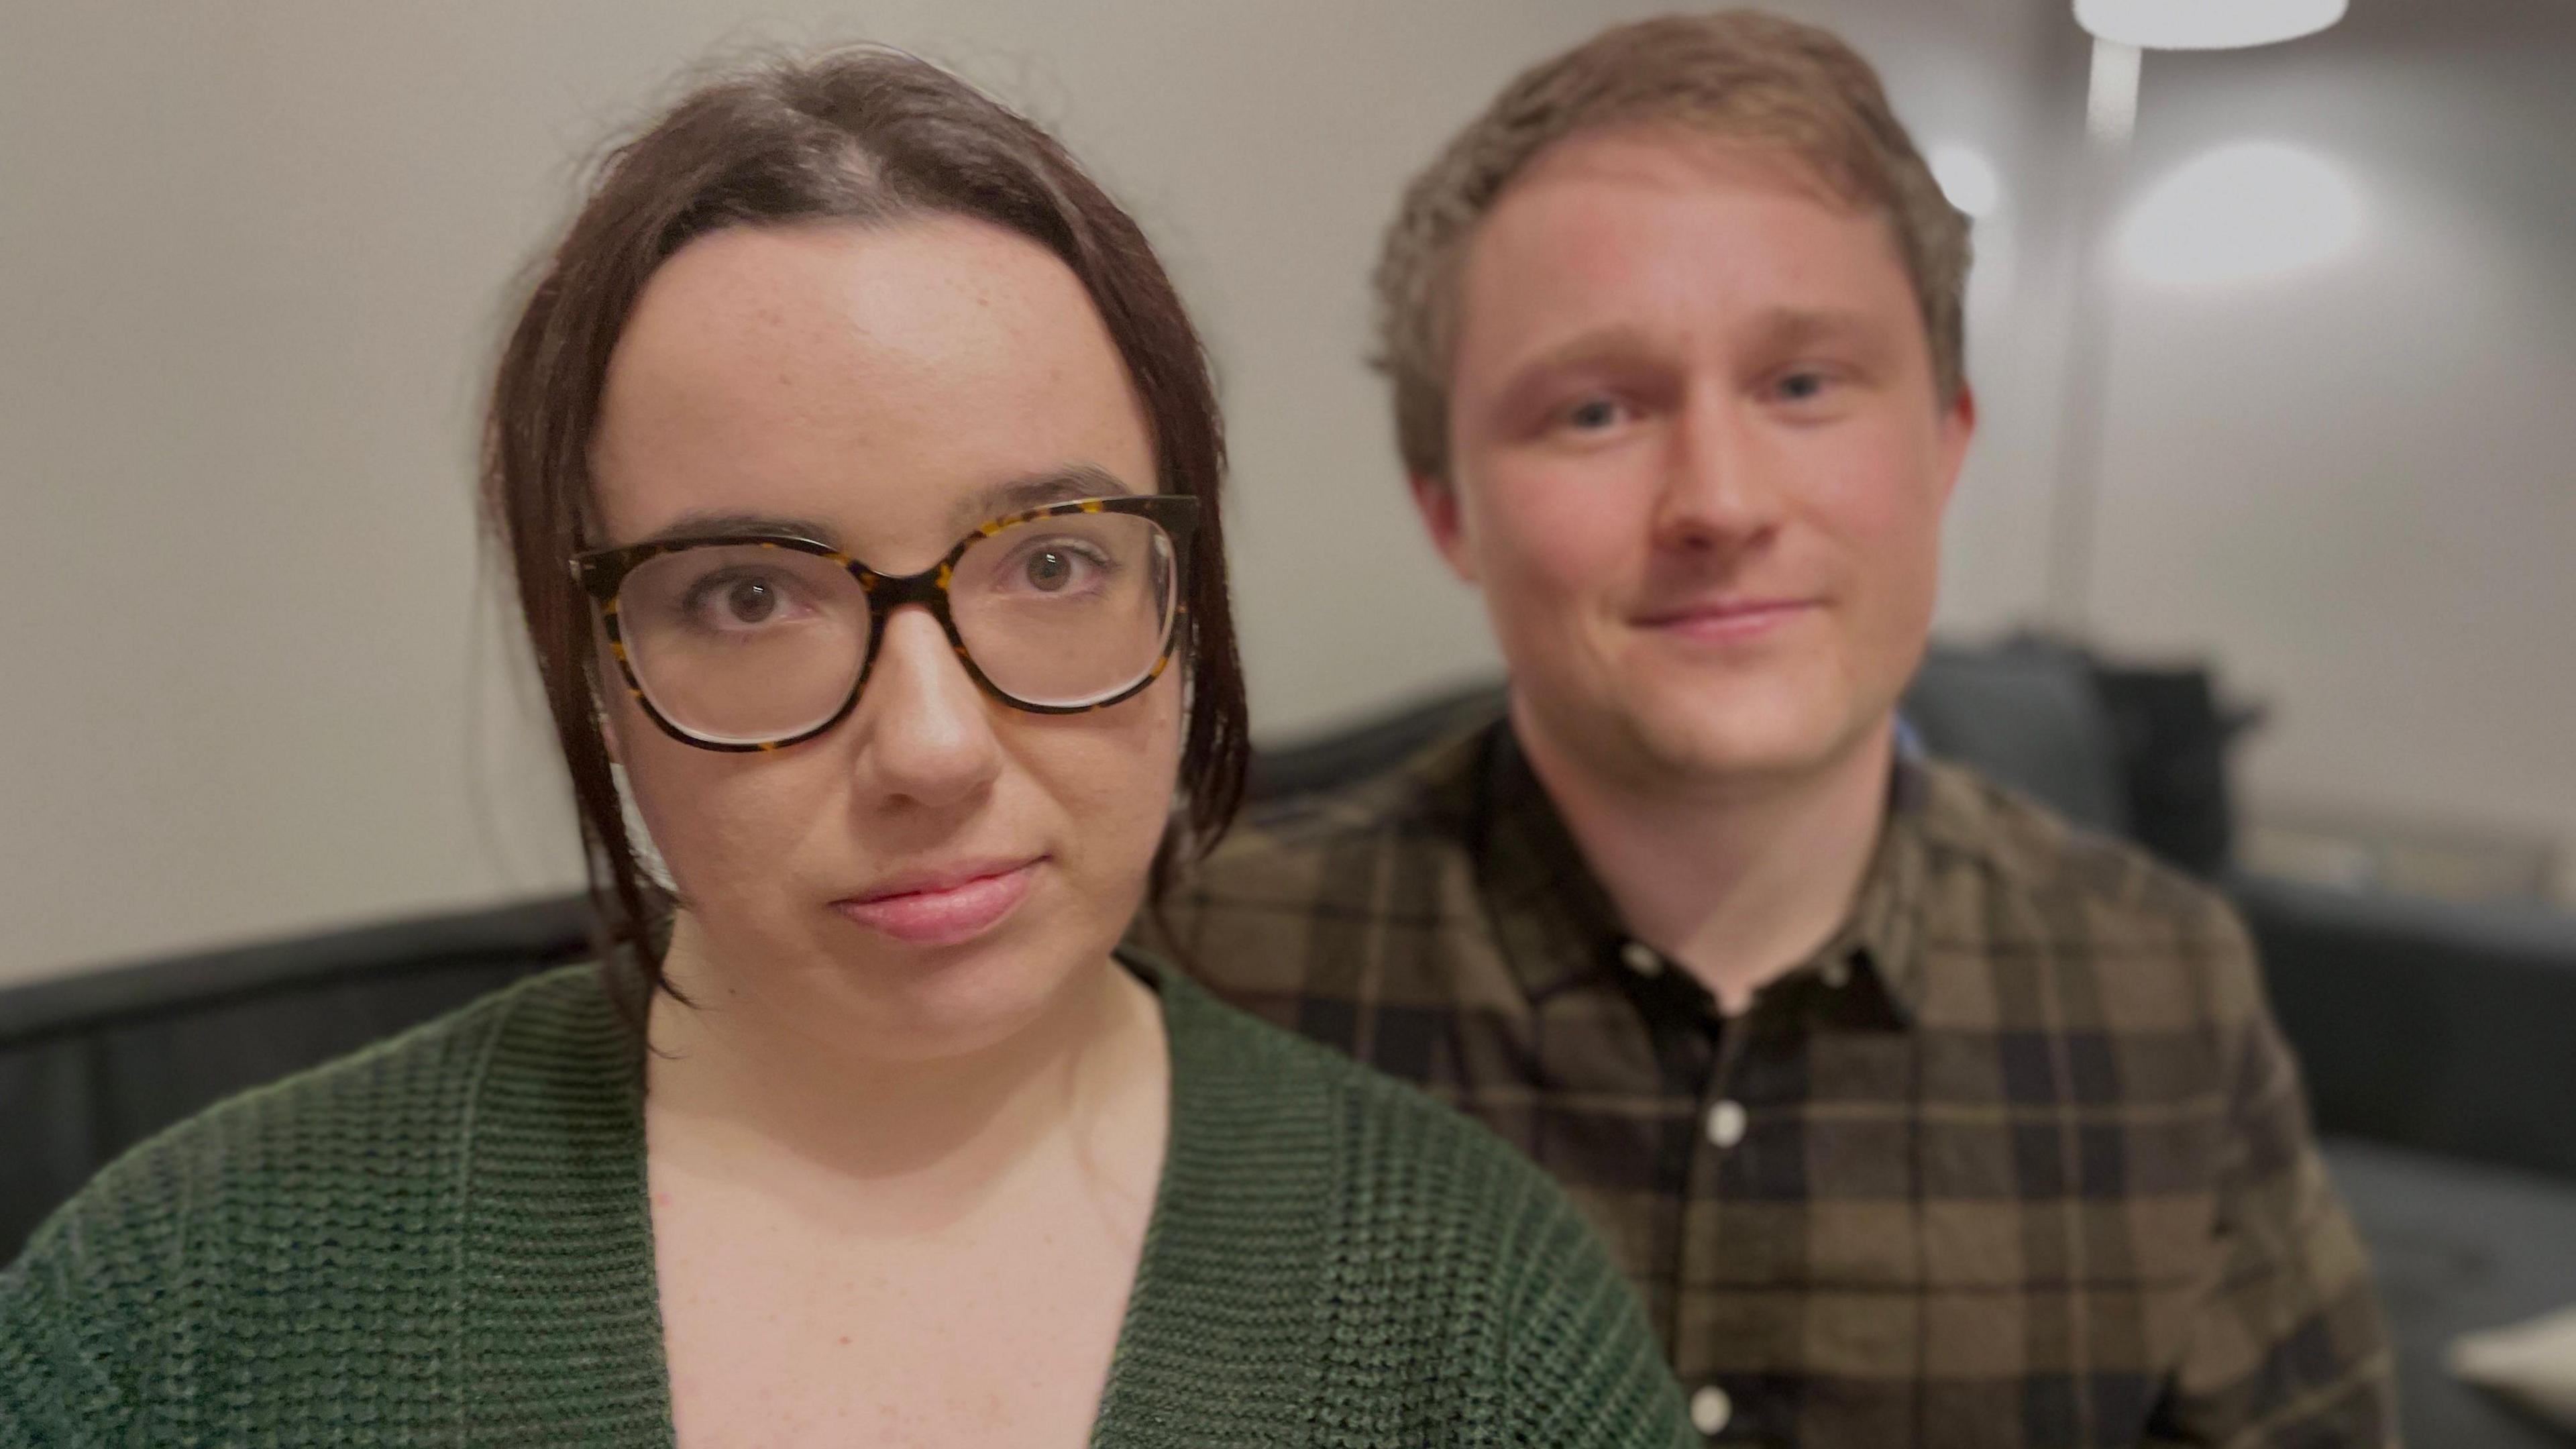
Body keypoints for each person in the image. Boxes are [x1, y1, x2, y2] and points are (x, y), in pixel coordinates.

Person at [0, 48, 1698, 1448]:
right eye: (747, 595)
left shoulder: (1482, 1326)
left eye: (1052, 563)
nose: (932, 749)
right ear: (590, 658)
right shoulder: (180, 1312)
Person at [1140, 11, 2398, 1445]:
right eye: (1597, 409)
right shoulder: (1206, 975)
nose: (1721, 502)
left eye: (1803, 384)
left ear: (1945, 445)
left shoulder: (2165, 991)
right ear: (1448, 513)